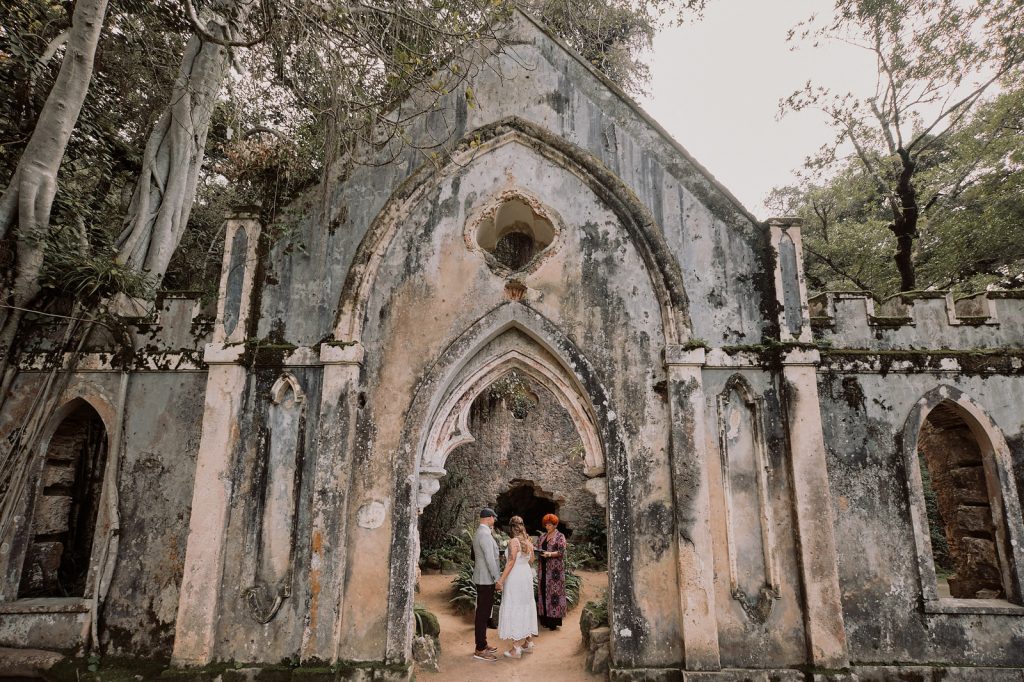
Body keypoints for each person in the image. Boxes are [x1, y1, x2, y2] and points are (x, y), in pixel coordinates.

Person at [495, 515, 538, 658]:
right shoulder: (528, 541)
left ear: (512, 527)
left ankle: (516, 649)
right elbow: (531, 560)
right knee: (525, 605)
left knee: (515, 606)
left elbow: (511, 561)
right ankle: (528, 642)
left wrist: (501, 580)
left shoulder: (513, 541)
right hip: (525, 575)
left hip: (515, 576)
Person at [472, 507, 501, 661]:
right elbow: (490, 559)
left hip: (483, 578)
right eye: (493, 518)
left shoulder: (481, 532)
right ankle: (480, 649)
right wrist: (497, 579)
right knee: (482, 614)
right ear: (489, 517)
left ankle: (482, 643)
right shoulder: (484, 534)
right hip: (486, 580)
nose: (494, 520)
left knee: (483, 613)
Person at [536, 513, 567, 630]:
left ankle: (553, 622)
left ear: (555, 525)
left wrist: (550, 554)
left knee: (554, 594)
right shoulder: (543, 536)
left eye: (550, 524)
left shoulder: (560, 536)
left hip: (555, 571)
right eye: (546, 524)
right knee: (543, 591)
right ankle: (544, 619)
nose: (547, 526)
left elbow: (561, 552)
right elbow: (537, 547)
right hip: (542, 568)